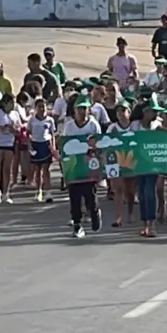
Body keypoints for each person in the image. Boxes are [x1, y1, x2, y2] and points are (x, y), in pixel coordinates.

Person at [62, 94, 103, 238]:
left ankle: (95, 212)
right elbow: (64, 146)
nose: (82, 111)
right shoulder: (69, 126)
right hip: (74, 167)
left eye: (84, 108)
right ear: (74, 110)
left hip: (89, 166)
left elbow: (99, 144)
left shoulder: (93, 125)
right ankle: (77, 225)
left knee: (90, 195)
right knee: (74, 197)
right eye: (79, 108)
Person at [131, 95, 163, 237]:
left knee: (150, 191)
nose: (156, 114)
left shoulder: (158, 125)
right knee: (142, 193)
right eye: (153, 111)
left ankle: (152, 223)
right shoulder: (135, 125)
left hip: (152, 164)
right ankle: (144, 223)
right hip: (139, 163)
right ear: (146, 112)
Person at [106, 99, 137, 226]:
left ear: (129, 112)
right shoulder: (112, 127)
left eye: (123, 110)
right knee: (118, 189)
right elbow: (107, 143)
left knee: (130, 191)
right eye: (118, 110)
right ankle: (118, 217)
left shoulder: (134, 126)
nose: (120, 113)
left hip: (131, 160)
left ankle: (130, 213)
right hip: (115, 161)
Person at [0, 93, 21, 204]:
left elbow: (19, 130)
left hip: (9, 144)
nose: (13, 105)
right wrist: (0, 127)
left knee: (7, 169)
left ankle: (6, 193)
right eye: (11, 103)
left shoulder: (15, 114)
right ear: (5, 103)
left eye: (14, 103)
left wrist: (13, 129)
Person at [27, 98, 56, 203]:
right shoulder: (32, 120)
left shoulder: (50, 120)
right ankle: (38, 191)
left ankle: (48, 192)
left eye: (43, 107)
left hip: (46, 145)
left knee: (46, 169)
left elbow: (52, 134)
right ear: (36, 108)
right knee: (37, 169)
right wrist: (30, 145)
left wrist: (53, 147)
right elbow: (28, 133)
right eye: (39, 107)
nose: (42, 109)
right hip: (36, 144)